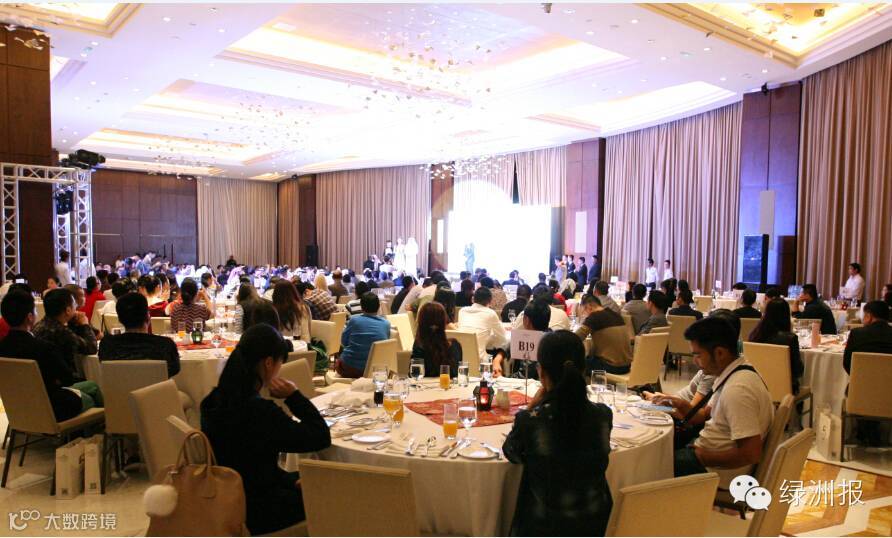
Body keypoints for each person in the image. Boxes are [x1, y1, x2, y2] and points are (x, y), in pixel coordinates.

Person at [201, 324, 330, 535]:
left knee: (311, 478)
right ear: (268, 363)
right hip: (259, 511)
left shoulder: (212, 401)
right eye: (280, 363)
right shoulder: (259, 412)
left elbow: (252, 464)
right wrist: (294, 396)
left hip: (227, 496)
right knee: (337, 490)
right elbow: (320, 436)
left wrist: (293, 481)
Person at [503, 330, 613, 536]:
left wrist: (532, 406)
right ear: (583, 370)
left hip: (543, 528)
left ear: (541, 372)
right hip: (596, 526)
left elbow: (512, 452)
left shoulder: (532, 421)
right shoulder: (602, 416)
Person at [662, 317, 773, 484]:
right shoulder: (737, 371)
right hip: (706, 456)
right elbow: (703, 415)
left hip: (716, 472)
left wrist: (702, 457)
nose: (695, 361)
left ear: (720, 353)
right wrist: (678, 403)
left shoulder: (737, 390)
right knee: (662, 450)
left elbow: (751, 453)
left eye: (698, 355)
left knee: (651, 464)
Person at [0, 289, 102, 421]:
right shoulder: (43, 348)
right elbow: (67, 379)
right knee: (91, 396)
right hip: (51, 406)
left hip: (17, 406)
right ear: (30, 317)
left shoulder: (3, 347)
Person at [98, 292, 181, 377]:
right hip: (155, 386)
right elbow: (174, 370)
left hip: (118, 386)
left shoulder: (107, 344)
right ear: (148, 316)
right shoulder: (165, 345)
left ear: (119, 319)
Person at [33, 288, 98, 371]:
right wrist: (85, 324)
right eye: (74, 304)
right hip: (61, 377)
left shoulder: (38, 326)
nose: (76, 307)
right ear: (68, 310)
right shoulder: (61, 332)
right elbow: (91, 348)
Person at [749, 299, 804, 393]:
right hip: (785, 390)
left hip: (758, 387)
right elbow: (798, 371)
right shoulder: (790, 339)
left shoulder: (754, 335)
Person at [336, 293, 391, 378]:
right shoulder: (386, 324)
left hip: (350, 368)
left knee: (340, 357)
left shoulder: (354, 321)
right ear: (378, 306)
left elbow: (344, 342)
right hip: (375, 369)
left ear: (361, 307)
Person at [575, 295, 632, 374]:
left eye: (584, 311)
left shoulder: (594, 317)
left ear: (589, 307)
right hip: (627, 366)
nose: (585, 315)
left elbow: (576, 338)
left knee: (578, 363)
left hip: (611, 366)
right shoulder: (615, 315)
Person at [457, 287, 508, 369]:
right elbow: (503, 338)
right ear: (490, 301)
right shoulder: (490, 313)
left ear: (473, 299)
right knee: (504, 348)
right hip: (481, 362)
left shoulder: (462, 311)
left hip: (460, 360)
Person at [412, 302, 462, 378]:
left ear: (421, 323)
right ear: (443, 323)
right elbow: (456, 375)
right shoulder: (455, 346)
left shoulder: (419, 347)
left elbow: (414, 375)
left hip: (424, 385)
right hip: (449, 385)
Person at [843, 300, 892, 374]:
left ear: (869, 316)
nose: (863, 319)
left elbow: (847, 364)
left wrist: (861, 376)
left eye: (864, 316)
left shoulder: (856, 333)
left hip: (860, 380)